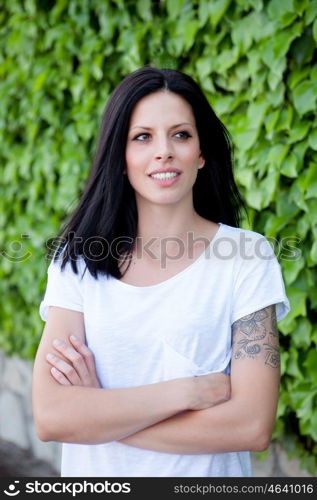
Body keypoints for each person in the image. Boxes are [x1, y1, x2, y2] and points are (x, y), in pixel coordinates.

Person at [32, 66, 290, 477]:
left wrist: (100, 413)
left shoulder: (246, 256)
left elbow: (251, 425)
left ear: (201, 153)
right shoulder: (78, 261)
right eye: (142, 137)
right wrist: (185, 392)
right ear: (121, 156)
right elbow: (52, 416)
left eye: (181, 134)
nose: (164, 151)